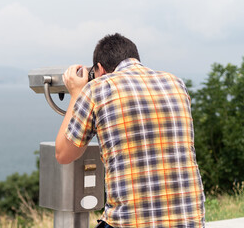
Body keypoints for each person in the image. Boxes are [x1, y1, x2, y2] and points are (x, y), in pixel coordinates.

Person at [55, 33, 205, 228]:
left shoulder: (98, 88)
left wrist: (76, 93)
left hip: (129, 223)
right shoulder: (176, 83)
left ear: (99, 69)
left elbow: (63, 153)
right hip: (190, 221)